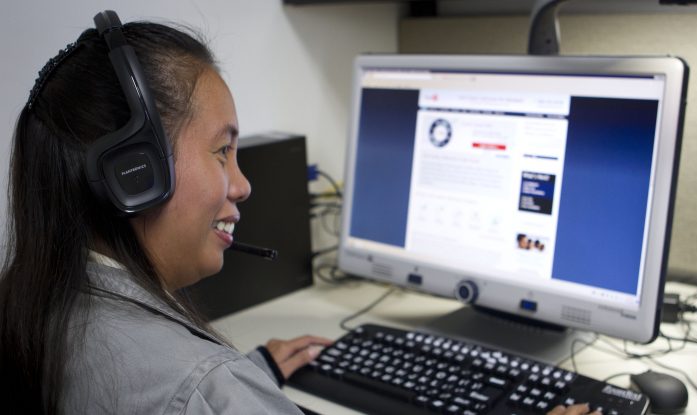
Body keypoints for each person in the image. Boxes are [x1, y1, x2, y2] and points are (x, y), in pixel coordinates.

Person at [0, 11, 600, 415]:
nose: (243, 183)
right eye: (222, 151)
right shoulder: (205, 388)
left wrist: (251, 378)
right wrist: (235, 389)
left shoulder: (32, 304)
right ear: (135, 174)